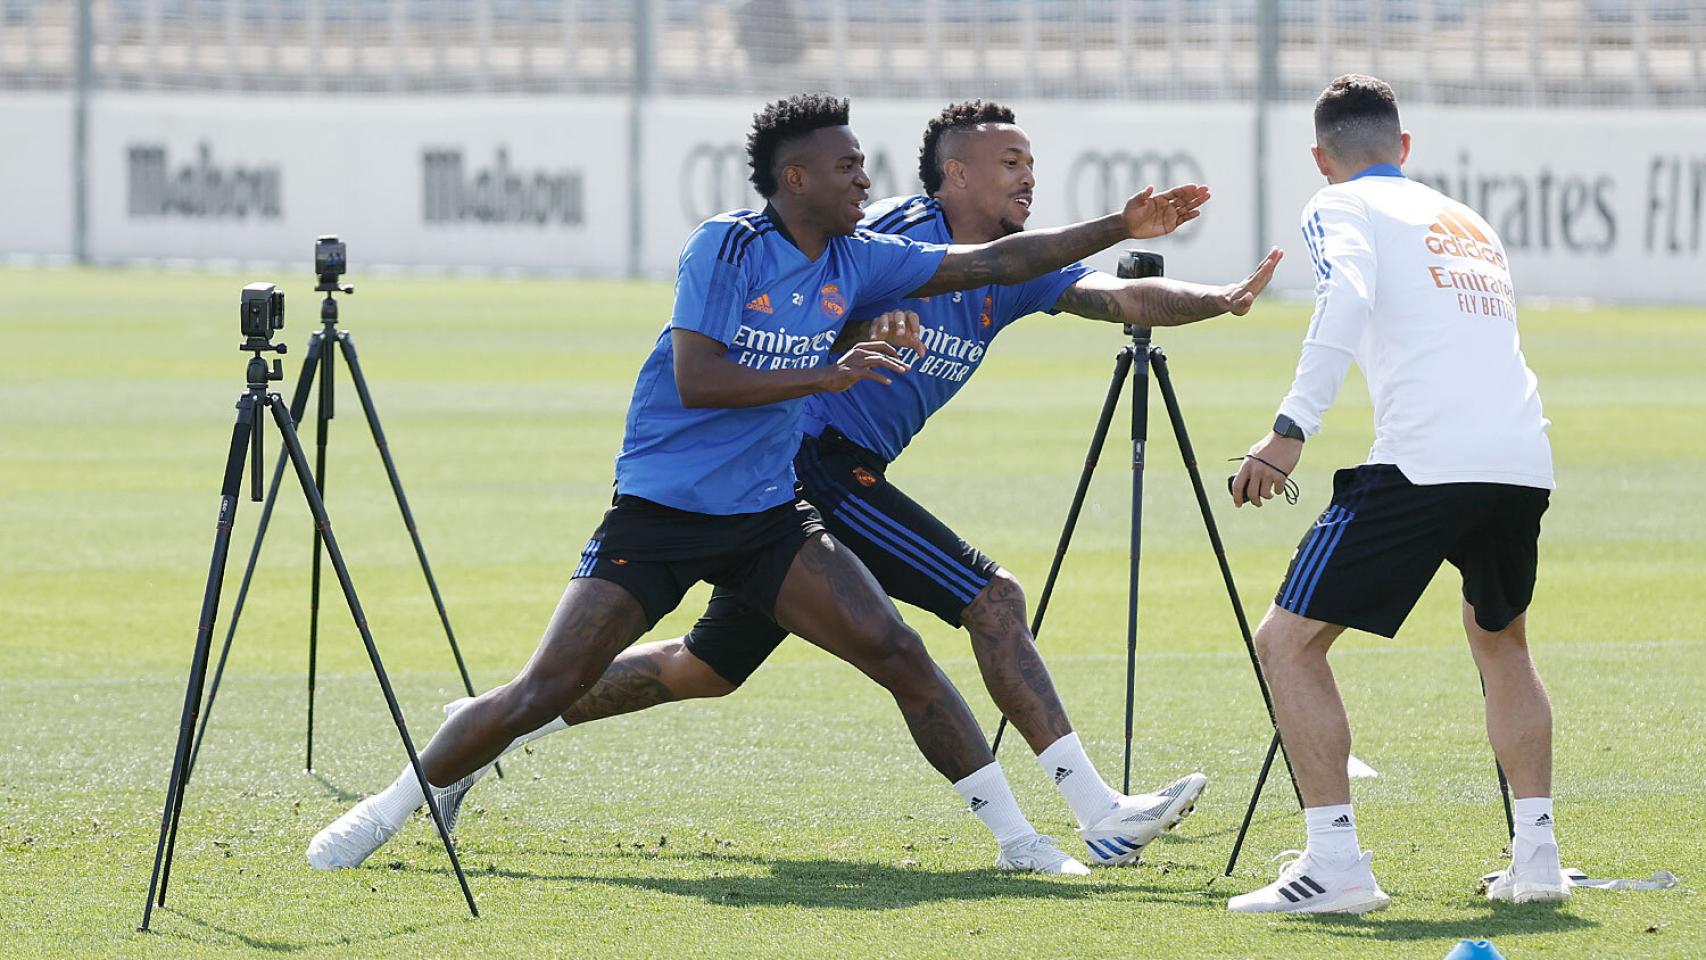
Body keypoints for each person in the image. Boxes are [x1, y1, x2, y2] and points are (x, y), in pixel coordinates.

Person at [321, 99, 1280, 871]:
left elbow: (1051, 277)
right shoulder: (775, 244)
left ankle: (1024, 842)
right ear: (803, 178)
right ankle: (404, 796)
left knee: (721, 669)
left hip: (769, 507)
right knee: (988, 600)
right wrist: (846, 359)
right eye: (1010, 163)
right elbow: (705, 374)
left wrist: (1193, 277)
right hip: (739, 489)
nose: (863, 177)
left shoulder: (889, 257)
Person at [1225, 75, 1563, 914]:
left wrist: (1289, 428)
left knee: (1287, 643)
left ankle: (1335, 863)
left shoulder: (1336, 205)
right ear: (1403, 148)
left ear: (1321, 157)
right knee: (1502, 642)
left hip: (1424, 462)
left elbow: (1345, 296)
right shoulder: (1468, 220)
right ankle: (1539, 860)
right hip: (1522, 459)